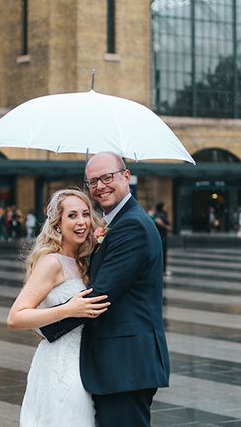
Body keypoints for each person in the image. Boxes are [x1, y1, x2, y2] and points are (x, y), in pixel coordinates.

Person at [40, 152, 170, 427]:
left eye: (107, 177)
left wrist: (47, 327)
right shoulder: (115, 222)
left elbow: (100, 295)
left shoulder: (131, 225)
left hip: (126, 365)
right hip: (118, 365)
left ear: (126, 176)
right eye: (93, 181)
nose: (100, 186)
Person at [8, 188, 110, 427]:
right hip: (59, 366)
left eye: (86, 214)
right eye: (72, 215)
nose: (81, 222)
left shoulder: (83, 261)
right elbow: (15, 317)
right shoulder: (51, 262)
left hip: (84, 363)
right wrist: (67, 310)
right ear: (57, 223)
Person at [153, 202, 172, 275]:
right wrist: (166, 227)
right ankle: (162, 270)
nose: (166, 208)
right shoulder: (158, 215)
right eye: (164, 207)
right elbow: (157, 222)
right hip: (160, 237)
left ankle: (162, 270)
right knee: (161, 254)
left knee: (162, 254)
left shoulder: (162, 214)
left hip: (162, 236)